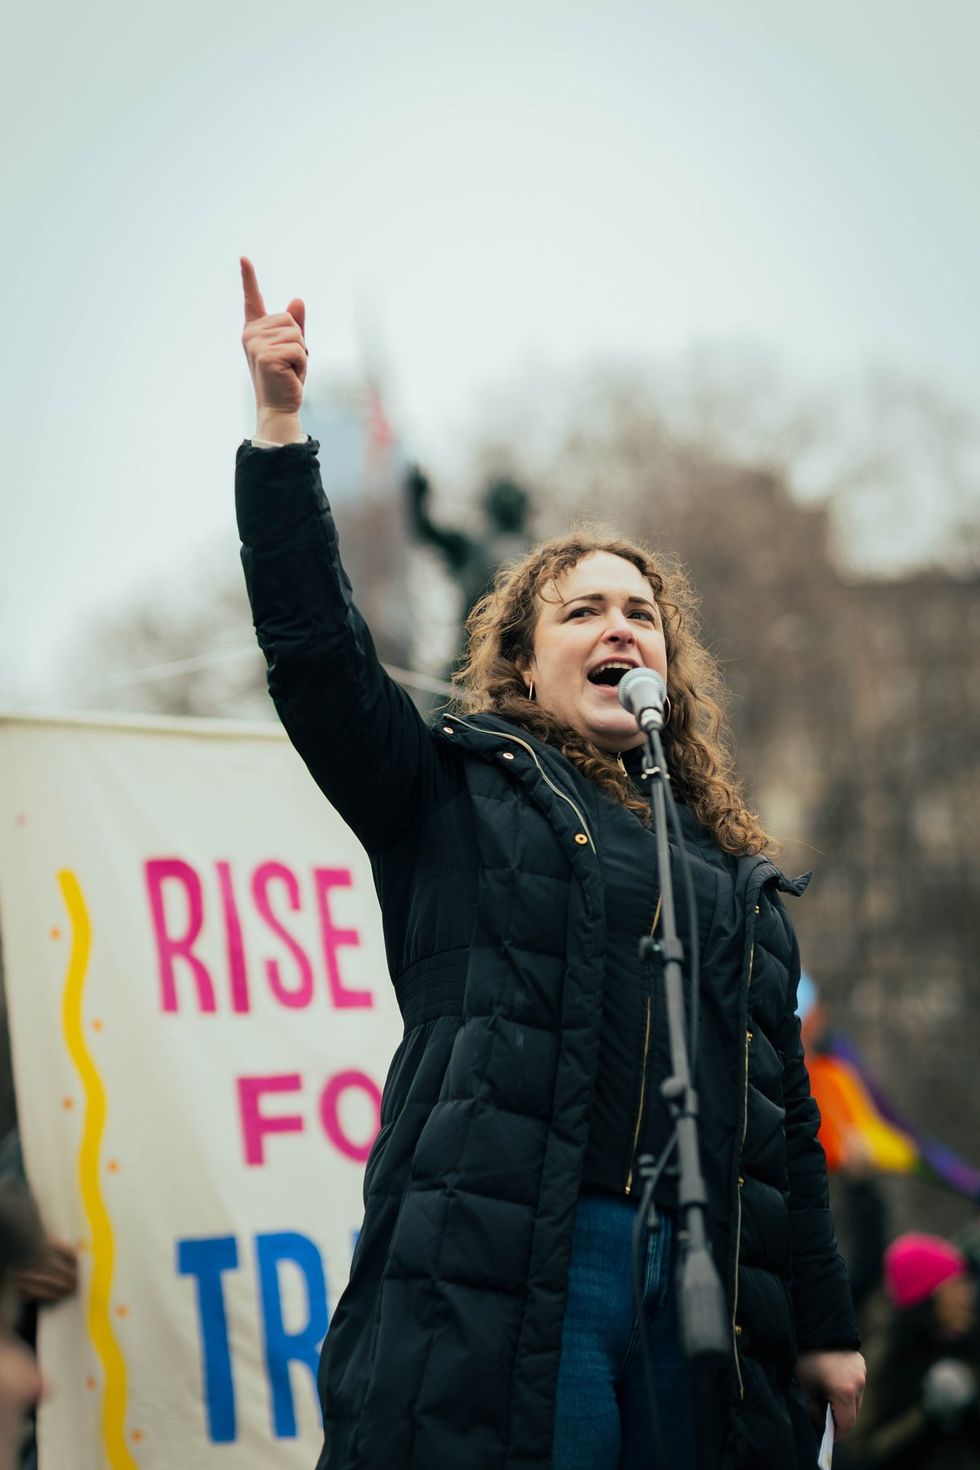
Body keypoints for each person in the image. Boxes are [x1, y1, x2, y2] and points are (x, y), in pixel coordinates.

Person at [236, 258, 865, 1470]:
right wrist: (278, 438)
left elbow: (785, 1126)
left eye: (639, 612)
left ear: (668, 668)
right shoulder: (452, 795)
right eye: (581, 611)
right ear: (522, 668)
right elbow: (316, 657)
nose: (617, 625)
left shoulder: (732, 876)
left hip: (703, 1281)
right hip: (516, 1263)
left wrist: (826, 1329)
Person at [846, 1233, 980, 1469]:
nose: (967, 1296)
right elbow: (860, 1452)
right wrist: (924, 1415)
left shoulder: (969, 1350)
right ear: (928, 1299)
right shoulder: (881, 1363)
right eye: (955, 1287)